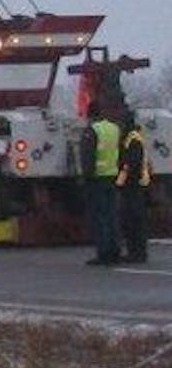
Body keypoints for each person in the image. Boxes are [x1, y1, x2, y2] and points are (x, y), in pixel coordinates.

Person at [83, 106, 124, 266]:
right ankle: (115, 251)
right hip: (112, 176)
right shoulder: (114, 128)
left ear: (90, 115)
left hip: (97, 179)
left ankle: (103, 253)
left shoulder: (92, 130)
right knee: (112, 215)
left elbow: (88, 156)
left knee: (100, 218)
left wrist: (86, 177)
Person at [117, 114, 153, 263]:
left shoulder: (133, 139)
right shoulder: (133, 138)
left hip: (133, 185)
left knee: (134, 220)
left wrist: (119, 182)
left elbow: (130, 165)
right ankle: (136, 252)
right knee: (133, 220)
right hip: (135, 184)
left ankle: (137, 253)